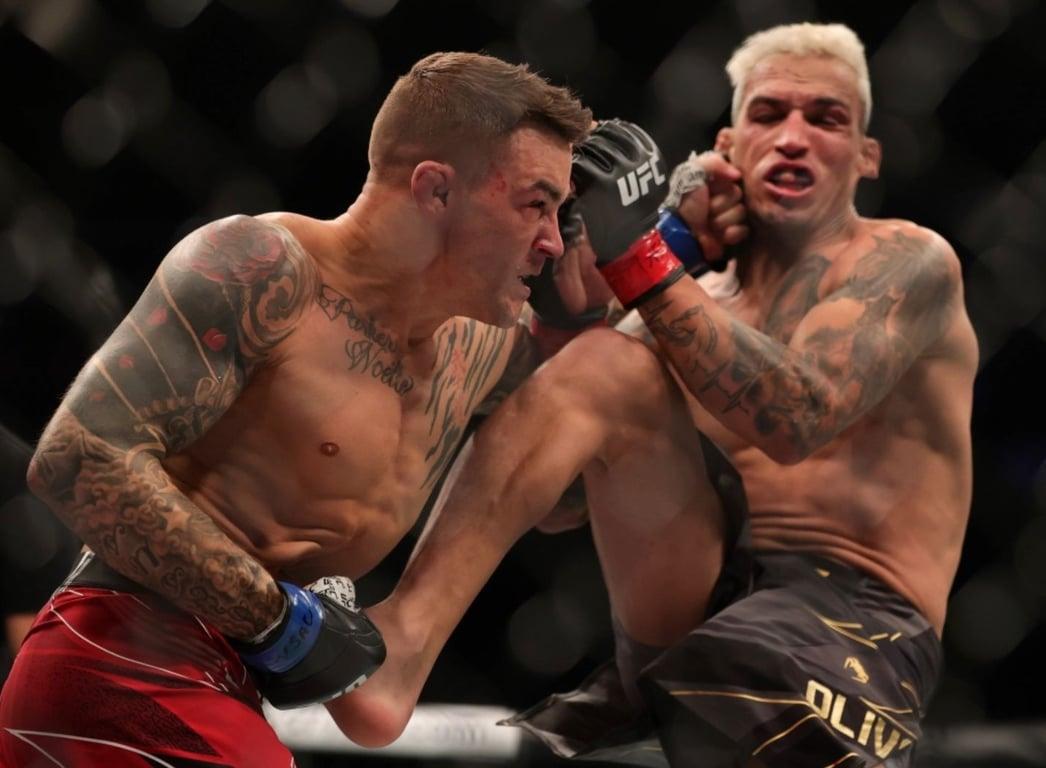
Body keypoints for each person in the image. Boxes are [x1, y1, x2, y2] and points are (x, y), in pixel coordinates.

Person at [333, 23, 978, 767]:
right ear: (730, 146)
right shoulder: (684, 297)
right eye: (769, 114)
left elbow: (797, 417)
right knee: (605, 360)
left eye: (826, 118)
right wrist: (567, 318)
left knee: (737, 687)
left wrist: (641, 252)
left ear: (866, 156)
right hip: (688, 603)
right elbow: (559, 507)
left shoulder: (908, 263)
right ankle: (404, 644)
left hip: (852, 624)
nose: (795, 137)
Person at [0, 51, 592, 766]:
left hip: (227, 685)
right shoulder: (263, 270)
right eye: (536, 204)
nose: (553, 241)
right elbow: (77, 460)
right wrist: (286, 623)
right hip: (122, 654)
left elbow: (566, 484)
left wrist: (636, 257)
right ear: (436, 191)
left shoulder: (481, 351)